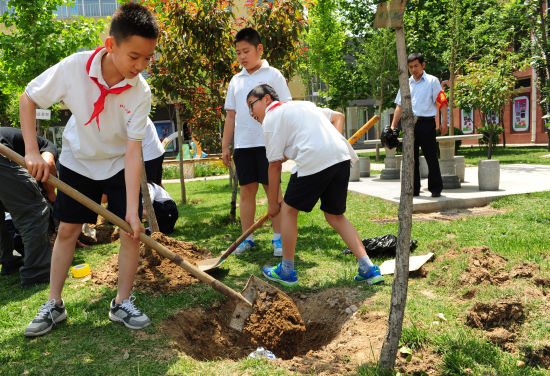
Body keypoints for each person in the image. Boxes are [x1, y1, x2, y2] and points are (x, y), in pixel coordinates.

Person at [20, 3, 158, 337]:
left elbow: (132, 149)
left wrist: (130, 210)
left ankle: (121, 302)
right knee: (68, 230)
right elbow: (29, 98)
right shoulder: (74, 68)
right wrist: (31, 151)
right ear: (111, 45)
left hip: (117, 163)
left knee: (130, 231)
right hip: (78, 161)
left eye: (148, 59)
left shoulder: (140, 92)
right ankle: (54, 303)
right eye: (134, 57)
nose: (140, 66)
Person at [246, 84, 384, 286]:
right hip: (340, 156)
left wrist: (273, 203)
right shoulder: (302, 106)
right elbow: (338, 116)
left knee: (288, 211)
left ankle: (286, 271)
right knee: (335, 215)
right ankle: (368, 268)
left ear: (267, 99)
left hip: (314, 158)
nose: (251, 113)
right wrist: (332, 141)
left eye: (252, 105)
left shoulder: (271, 118)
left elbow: (274, 166)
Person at [221, 27, 292, 257]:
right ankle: (247, 238)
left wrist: (286, 143)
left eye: (246, 51)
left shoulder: (274, 75)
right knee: (246, 191)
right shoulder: (235, 80)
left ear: (259, 49)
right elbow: (230, 116)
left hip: (269, 144)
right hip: (243, 145)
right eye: (238, 52)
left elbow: (286, 109)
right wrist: (226, 145)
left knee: (273, 191)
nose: (241, 57)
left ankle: (278, 239)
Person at [0, 127, 57, 285]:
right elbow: (49, 166)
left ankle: (8, 260)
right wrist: (52, 195)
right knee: (34, 210)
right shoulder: (47, 148)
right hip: (1, 154)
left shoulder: (23, 140)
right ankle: (37, 272)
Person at [390, 52, 448, 198]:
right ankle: (413, 189)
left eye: (416, 66)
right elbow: (399, 106)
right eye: (410, 67)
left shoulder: (432, 81)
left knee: (431, 158)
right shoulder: (406, 83)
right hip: (409, 125)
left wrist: (444, 122)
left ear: (423, 65)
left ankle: (435, 189)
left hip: (427, 124)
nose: (413, 69)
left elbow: (442, 102)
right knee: (410, 158)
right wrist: (393, 126)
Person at [143, 117, 165, 186]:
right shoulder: (139, 109)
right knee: (157, 185)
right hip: (156, 151)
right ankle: (165, 196)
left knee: (150, 188)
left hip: (148, 155)